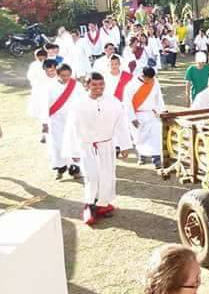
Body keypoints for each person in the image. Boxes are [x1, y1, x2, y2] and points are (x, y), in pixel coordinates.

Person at [62, 72, 133, 225]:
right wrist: (73, 151)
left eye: (101, 84)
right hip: (87, 146)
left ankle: (102, 204)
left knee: (107, 176)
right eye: (94, 84)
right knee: (92, 176)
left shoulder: (113, 102)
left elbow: (121, 124)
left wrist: (125, 145)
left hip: (107, 145)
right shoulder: (78, 104)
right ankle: (89, 205)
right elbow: (71, 128)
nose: (98, 88)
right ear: (87, 85)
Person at [45, 63, 83, 179]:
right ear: (57, 74)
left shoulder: (77, 86)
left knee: (73, 144)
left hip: (73, 120)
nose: (66, 78)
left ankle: (75, 168)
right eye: (63, 75)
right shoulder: (50, 87)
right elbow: (45, 105)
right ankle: (60, 168)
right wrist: (44, 122)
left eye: (68, 75)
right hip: (56, 120)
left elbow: (83, 101)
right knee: (58, 145)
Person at [126, 67, 166, 169]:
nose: (151, 81)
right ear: (143, 76)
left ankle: (156, 158)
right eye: (149, 78)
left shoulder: (154, 82)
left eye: (152, 78)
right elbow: (127, 102)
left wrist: (162, 111)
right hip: (138, 115)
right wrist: (132, 118)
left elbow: (158, 97)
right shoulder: (131, 85)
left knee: (155, 136)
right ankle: (141, 156)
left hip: (151, 114)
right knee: (139, 138)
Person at [26, 48, 49, 142]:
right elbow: (30, 77)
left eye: (43, 57)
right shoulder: (33, 65)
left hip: (49, 92)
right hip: (38, 92)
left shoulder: (51, 64)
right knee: (42, 113)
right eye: (39, 58)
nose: (41, 60)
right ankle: (44, 133)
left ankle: (47, 132)